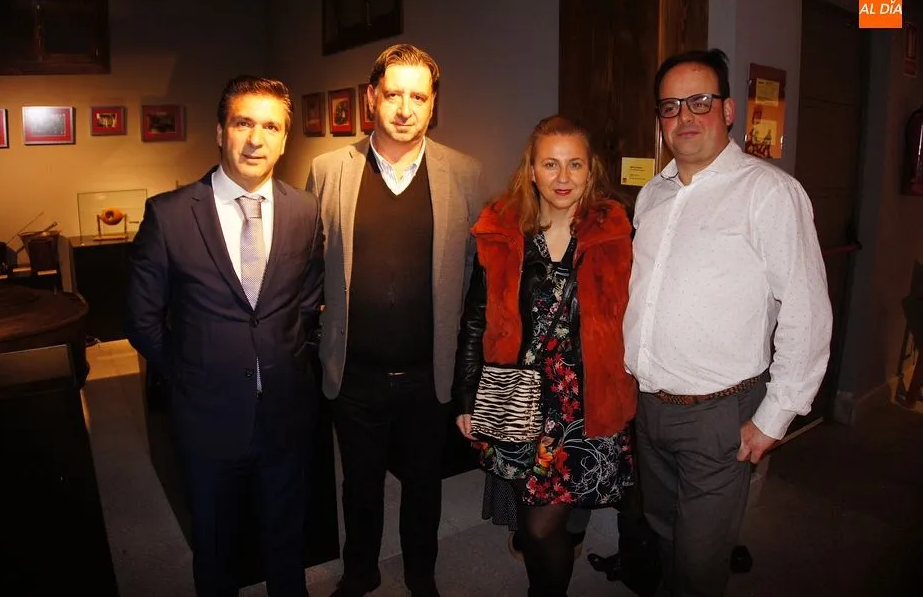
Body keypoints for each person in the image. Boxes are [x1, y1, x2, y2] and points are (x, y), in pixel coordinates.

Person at [624, 48, 833, 597]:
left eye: (700, 101)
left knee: (699, 562)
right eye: (670, 106)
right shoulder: (652, 194)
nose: (684, 117)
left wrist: (776, 416)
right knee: (664, 534)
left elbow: (807, 310)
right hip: (650, 407)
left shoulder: (769, 193)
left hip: (718, 415)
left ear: (729, 109)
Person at [126, 76, 324, 597]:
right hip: (207, 418)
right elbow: (142, 319)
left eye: (271, 127)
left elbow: (307, 301)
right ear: (220, 131)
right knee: (215, 550)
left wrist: (290, 357)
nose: (256, 139)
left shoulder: (305, 210)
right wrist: (188, 374)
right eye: (243, 123)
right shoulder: (169, 215)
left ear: (285, 140)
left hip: (285, 410)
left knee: (288, 541)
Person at [305, 43, 485, 597]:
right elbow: (311, 262)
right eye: (393, 94)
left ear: (433, 104)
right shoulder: (328, 170)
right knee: (358, 484)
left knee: (424, 484)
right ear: (371, 98)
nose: (405, 108)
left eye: (419, 97)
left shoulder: (465, 173)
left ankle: (420, 573)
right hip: (353, 373)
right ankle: (361, 571)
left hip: (428, 373)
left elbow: (474, 273)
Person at [453, 115, 637, 597]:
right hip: (515, 393)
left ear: (591, 169)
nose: (562, 177)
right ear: (531, 170)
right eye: (550, 164)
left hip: (583, 400)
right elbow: (475, 320)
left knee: (540, 527)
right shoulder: (502, 230)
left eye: (574, 164)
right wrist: (466, 396)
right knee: (533, 519)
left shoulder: (615, 232)